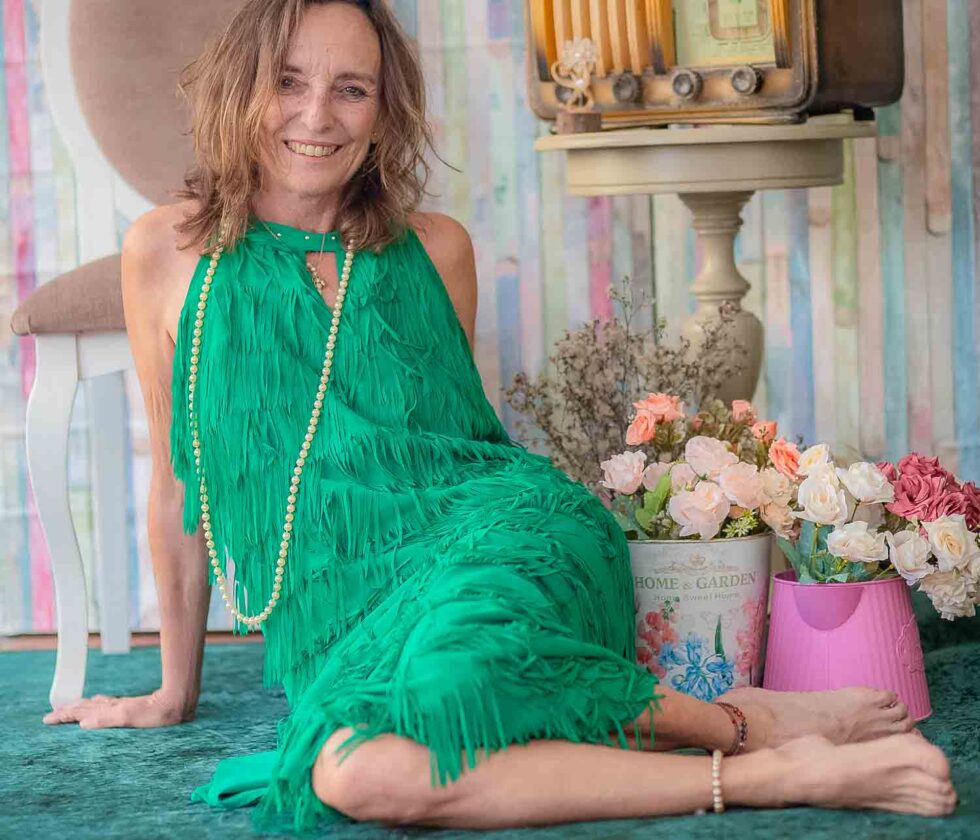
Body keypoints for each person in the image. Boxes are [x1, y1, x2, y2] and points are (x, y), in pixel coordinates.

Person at [42, 0, 956, 833]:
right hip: (352, 614)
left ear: (382, 113)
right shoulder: (167, 251)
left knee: (455, 682)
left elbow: (452, 453)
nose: (316, 116)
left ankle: (738, 734)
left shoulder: (435, 248)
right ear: (243, 86)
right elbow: (174, 484)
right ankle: (763, 751)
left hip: (502, 537)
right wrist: (173, 689)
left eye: (351, 90)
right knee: (361, 775)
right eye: (289, 80)